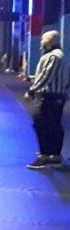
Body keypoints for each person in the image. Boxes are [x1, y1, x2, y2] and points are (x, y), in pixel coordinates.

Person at [20, 30, 70, 169]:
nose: (41, 41)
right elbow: (47, 76)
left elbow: (46, 76)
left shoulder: (54, 56)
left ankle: (46, 155)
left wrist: (31, 91)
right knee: (51, 125)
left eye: (43, 39)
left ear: (49, 41)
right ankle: (53, 154)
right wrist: (30, 78)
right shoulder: (57, 55)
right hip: (55, 97)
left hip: (50, 97)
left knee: (42, 124)